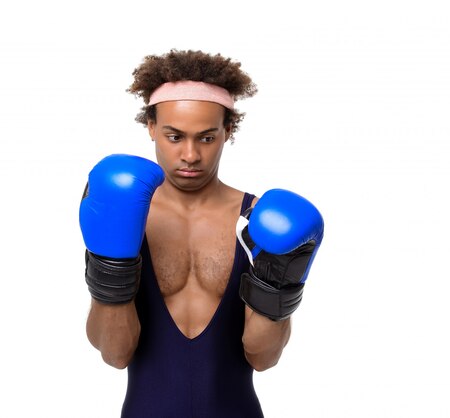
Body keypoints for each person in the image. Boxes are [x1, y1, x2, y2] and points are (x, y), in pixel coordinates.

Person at [79, 49, 324, 418]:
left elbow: (263, 358)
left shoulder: (257, 221)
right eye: (174, 137)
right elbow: (115, 354)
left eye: (206, 138)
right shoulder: (123, 210)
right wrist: (109, 269)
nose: (190, 155)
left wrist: (278, 286)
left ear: (228, 130)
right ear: (150, 127)